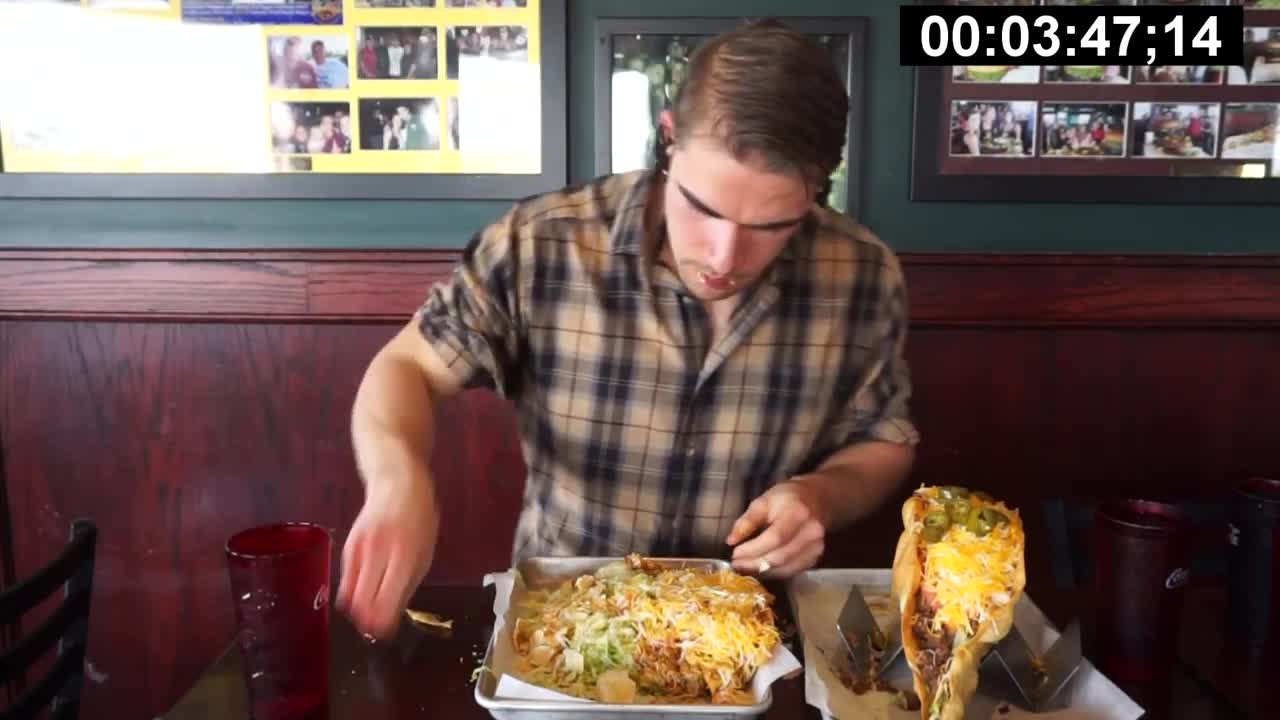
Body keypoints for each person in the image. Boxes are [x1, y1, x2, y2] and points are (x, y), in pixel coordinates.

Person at [336, 18, 919, 640]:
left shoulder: (861, 271)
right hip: (562, 630)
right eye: (704, 208)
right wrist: (399, 481)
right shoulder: (541, 245)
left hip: (746, 641)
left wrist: (819, 496)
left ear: (816, 190)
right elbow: (407, 369)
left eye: (771, 225)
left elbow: (883, 440)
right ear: (668, 140)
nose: (723, 257)